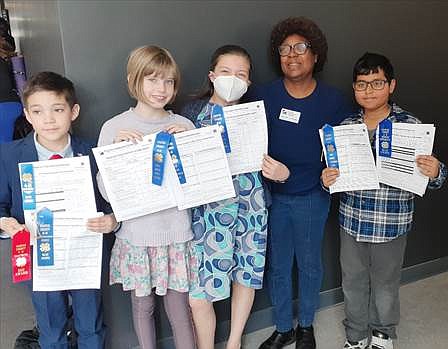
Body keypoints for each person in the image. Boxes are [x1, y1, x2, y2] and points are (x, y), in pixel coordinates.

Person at [321, 52, 447, 349]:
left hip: (392, 223)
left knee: (386, 284)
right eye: (362, 84)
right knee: (352, 282)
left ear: (391, 85)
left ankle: (383, 333)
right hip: (352, 221)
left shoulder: (411, 126)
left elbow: (436, 178)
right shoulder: (346, 126)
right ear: (354, 88)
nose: (368, 90)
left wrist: (436, 171)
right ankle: (356, 335)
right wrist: (327, 179)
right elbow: (334, 174)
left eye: (377, 83)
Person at [246, 17, 352, 349]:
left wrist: (326, 173)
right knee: (278, 267)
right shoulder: (262, 95)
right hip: (272, 198)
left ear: (316, 54)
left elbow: (344, 151)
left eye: (300, 47)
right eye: (284, 49)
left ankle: (305, 325)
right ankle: (282, 327)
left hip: (312, 197)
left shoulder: (333, 101)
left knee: (308, 265)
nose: (292, 55)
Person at [0, 71, 118, 348]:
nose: (49, 119)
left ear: (73, 111)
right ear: (28, 116)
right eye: (38, 111)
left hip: (84, 253)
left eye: (58, 109)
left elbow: (112, 201)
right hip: (39, 255)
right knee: (51, 328)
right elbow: (1, 203)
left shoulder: (91, 152)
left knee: (90, 324)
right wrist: (5, 222)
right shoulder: (10, 155)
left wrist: (113, 220)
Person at [97, 45, 196, 349]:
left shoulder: (184, 125)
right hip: (137, 235)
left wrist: (187, 146)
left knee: (180, 310)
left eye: (168, 81)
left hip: (176, 233)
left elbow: (197, 186)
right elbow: (105, 190)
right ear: (134, 80)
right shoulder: (114, 127)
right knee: (143, 308)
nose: (161, 89)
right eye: (152, 79)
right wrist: (116, 153)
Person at [181, 44, 268, 349]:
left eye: (241, 74)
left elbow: (273, 156)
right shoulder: (191, 114)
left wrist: (276, 169)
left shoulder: (256, 114)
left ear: (248, 81)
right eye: (226, 72)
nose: (233, 79)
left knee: (246, 273)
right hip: (207, 211)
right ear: (212, 75)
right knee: (199, 292)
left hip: (251, 204)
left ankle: (234, 342)